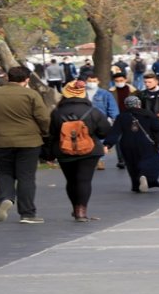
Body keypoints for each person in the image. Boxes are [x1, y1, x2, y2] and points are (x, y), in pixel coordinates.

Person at [0, 66, 51, 224]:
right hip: (28, 140)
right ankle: (27, 213)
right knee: (26, 176)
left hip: (1, 140)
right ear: (27, 79)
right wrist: (45, 132)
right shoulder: (31, 94)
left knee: (4, 173)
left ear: (8, 77)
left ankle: (6, 198)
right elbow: (43, 117)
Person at [46, 80, 112, 222]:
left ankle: (75, 207)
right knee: (84, 180)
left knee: (71, 181)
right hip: (89, 151)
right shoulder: (93, 111)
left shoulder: (57, 112)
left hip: (64, 150)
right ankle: (81, 210)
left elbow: (52, 134)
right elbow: (105, 131)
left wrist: (49, 154)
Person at [104, 96, 159, 193]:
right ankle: (144, 175)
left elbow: (115, 132)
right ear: (139, 104)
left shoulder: (121, 116)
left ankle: (136, 185)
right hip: (146, 143)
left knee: (132, 165)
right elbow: (157, 128)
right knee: (152, 161)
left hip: (127, 144)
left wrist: (107, 144)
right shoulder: (148, 114)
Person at [85, 73, 119, 170]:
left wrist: (115, 119)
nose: (92, 83)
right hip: (85, 121)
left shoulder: (105, 94)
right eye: (90, 81)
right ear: (86, 82)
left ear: (98, 82)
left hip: (100, 120)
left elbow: (112, 107)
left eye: (94, 81)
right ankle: (90, 160)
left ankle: (100, 160)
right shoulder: (82, 93)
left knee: (100, 141)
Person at [109, 71, 137, 169]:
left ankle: (131, 158)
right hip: (117, 118)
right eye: (116, 81)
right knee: (119, 140)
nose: (119, 82)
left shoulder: (134, 91)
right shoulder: (110, 92)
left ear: (125, 80)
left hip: (131, 117)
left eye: (121, 80)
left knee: (132, 139)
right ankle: (121, 160)